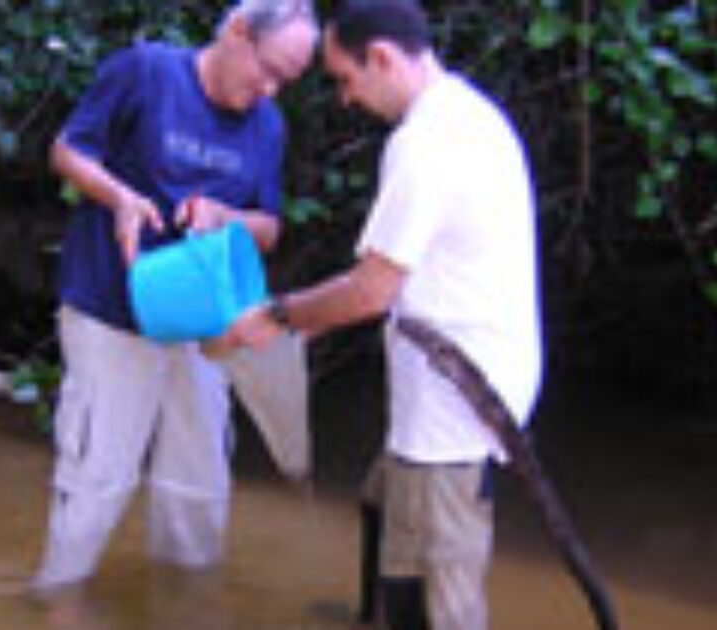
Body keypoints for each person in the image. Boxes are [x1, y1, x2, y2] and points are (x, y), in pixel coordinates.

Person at [226, 1, 544, 629]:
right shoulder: (468, 114)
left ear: (382, 58)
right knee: (384, 506)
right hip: (469, 381)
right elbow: (409, 278)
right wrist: (313, 321)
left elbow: (372, 289)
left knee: (441, 580)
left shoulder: (426, 143)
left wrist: (281, 316)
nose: (345, 100)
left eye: (345, 79)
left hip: (455, 405)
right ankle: (376, 617)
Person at [30, 0, 319, 608]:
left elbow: (267, 226)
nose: (269, 90)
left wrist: (224, 217)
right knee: (98, 474)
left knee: (199, 483)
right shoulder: (145, 71)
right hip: (111, 309)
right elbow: (68, 150)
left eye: (285, 83)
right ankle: (56, 603)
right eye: (266, 71)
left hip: (201, 323)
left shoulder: (267, 124)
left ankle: (188, 607)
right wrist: (120, 199)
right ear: (237, 32)